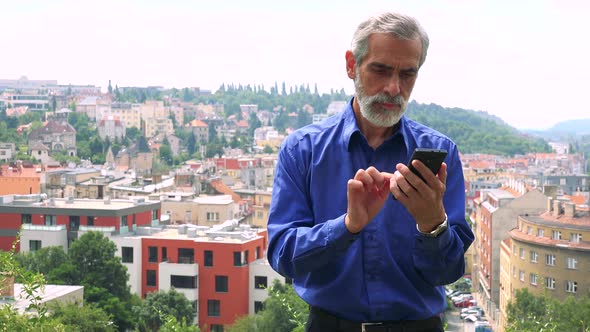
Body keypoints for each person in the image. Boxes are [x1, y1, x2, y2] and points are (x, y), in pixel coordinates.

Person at [267, 11, 475, 332]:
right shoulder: (302, 150)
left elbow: (448, 273)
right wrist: (347, 227)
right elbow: (282, 256)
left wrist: (432, 224)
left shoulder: (442, 154)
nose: (393, 88)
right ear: (352, 65)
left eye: (407, 74)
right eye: (380, 70)